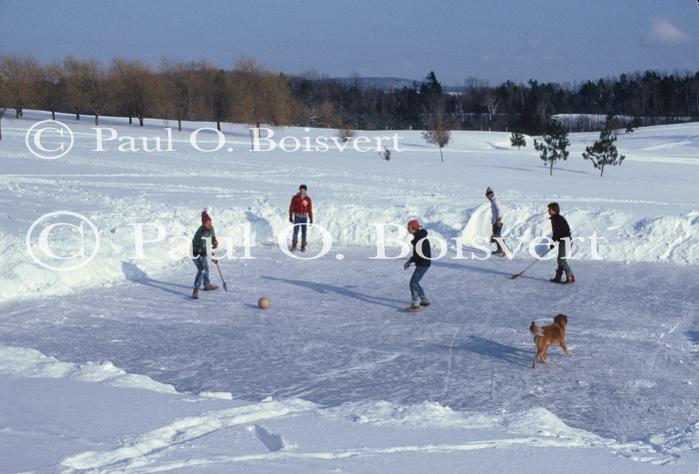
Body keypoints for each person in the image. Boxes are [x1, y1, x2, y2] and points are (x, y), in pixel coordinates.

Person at [404, 219, 431, 311]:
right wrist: (411, 261)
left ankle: (416, 303)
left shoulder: (419, 239)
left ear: (412, 228)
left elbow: (419, 254)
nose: (407, 229)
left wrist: (410, 261)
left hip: (423, 263)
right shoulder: (419, 237)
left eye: (408, 227)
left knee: (413, 283)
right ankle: (424, 300)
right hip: (423, 263)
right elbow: (418, 254)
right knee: (415, 282)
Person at [191, 210, 219, 299]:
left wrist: (214, 241)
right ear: (203, 224)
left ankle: (207, 284)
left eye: (210, 222)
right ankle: (195, 290)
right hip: (195, 252)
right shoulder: (201, 233)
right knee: (202, 269)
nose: (209, 225)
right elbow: (206, 248)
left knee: (206, 267)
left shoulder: (211, 228)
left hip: (203, 251)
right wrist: (213, 257)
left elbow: (212, 237)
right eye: (207, 223)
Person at [547, 202, 575, 284]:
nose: (548, 211)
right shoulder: (557, 218)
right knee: (560, 259)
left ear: (554, 210)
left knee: (561, 260)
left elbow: (556, 232)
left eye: (549, 209)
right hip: (565, 240)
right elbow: (558, 232)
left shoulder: (556, 219)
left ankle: (571, 277)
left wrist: (553, 242)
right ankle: (558, 277)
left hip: (565, 241)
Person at [289, 184, 313, 252]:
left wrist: (311, 218)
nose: (302, 191)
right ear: (299, 190)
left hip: (304, 217)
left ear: (305, 191)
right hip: (297, 217)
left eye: (304, 190)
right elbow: (291, 207)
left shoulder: (308, 199)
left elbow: (309, 209)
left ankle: (303, 245)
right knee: (295, 231)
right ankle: (294, 245)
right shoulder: (295, 198)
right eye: (301, 190)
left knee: (304, 231)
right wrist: (291, 216)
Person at [486, 187, 504, 256]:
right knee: (496, 236)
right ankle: (499, 250)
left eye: (487, 196)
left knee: (497, 236)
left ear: (490, 195)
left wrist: (498, 221)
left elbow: (499, 211)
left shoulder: (495, 201)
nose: (487, 198)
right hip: (495, 221)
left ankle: (504, 250)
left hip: (497, 222)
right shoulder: (493, 201)